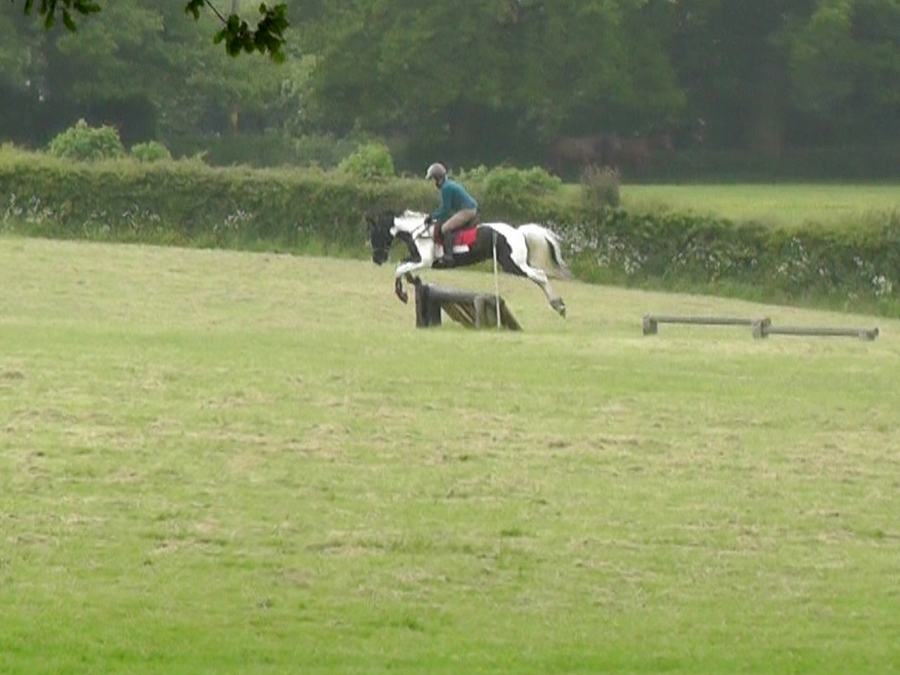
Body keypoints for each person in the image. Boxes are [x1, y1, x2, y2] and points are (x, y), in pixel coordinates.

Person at [425, 162, 478, 267]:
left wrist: (432, 217)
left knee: (445, 228)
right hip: (466, 209)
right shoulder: (447, 185)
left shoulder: (446, 188)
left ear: (438, 178)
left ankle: (448, 257)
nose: (433, 182)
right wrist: (434, 215)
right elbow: (444, 207)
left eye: (433, 179)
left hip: (467, 210)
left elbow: (446, 209)